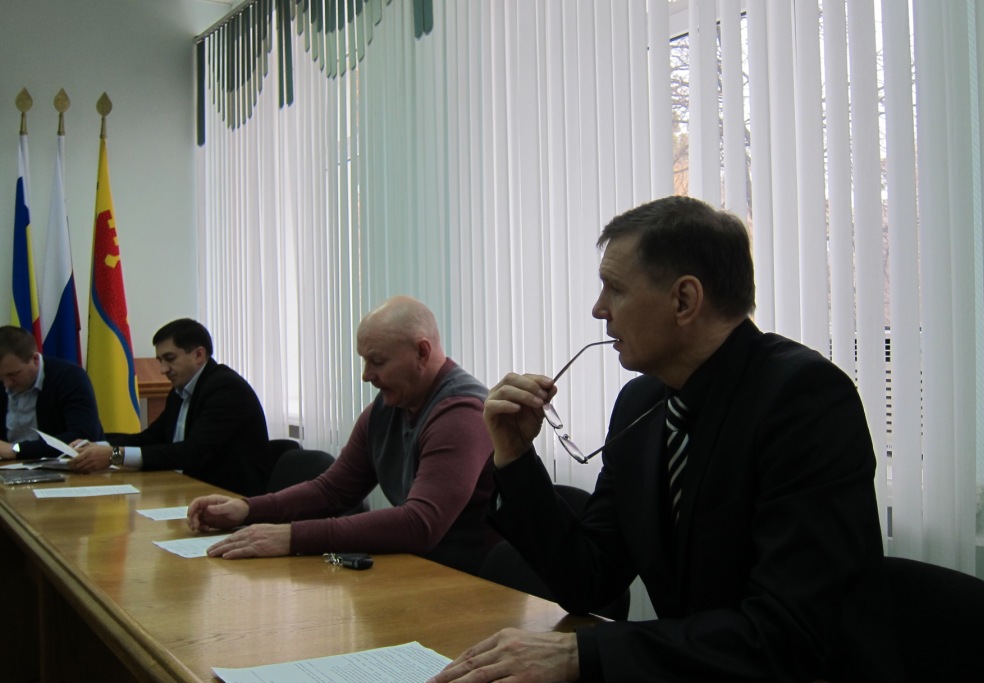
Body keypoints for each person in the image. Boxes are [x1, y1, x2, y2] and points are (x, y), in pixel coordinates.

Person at [431, 196, 902, 683]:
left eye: (615, 289)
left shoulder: (804, 400)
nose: (598, 309)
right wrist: (515, 457)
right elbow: (589, 580)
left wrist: (582, 655)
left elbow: (787, 634)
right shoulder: (642, 402)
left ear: (684, 301)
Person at [186, 295, 498, 575]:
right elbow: (332, 491)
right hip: (414, 568)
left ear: (422, 352)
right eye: (364, 361)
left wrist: (292, 537)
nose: (366, 375)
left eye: (377, 361)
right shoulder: (389, 406)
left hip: (468, 583)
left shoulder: (461, 413)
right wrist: (247, 509)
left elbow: (420, 524)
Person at [70, 318, 270, 497]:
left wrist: (115, 455)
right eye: (160, 361)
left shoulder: (226, 389)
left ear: (199, 355)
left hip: (229, 497)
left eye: (170, 359)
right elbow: (151, 438)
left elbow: (192, 452)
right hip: (188, 491)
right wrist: (98, 445)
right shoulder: (180, 391)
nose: (163, 369)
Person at [0, 325, 103, 460]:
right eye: (1, 377)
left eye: (13, 375)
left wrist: (16, 449)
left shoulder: (70, 378)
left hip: (68, 466)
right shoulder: (4, 381)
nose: (7, 384)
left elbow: (83, 437)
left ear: (35, 359)